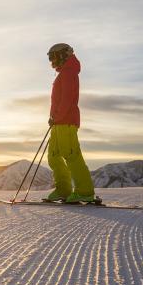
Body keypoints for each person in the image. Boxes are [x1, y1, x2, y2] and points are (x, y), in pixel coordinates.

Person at [45, 43, 96, 203]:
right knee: (53, 156)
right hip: (58, 122)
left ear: (62, 55)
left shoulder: (69, 73)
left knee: (71, 155)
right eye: (50, 57)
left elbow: (67, 99)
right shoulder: (63, 73)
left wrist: (57, 116)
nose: (52, 61)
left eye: (53, 57)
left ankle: (85, 191)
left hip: (66, 121)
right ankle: (64, 189)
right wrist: (53, 117)